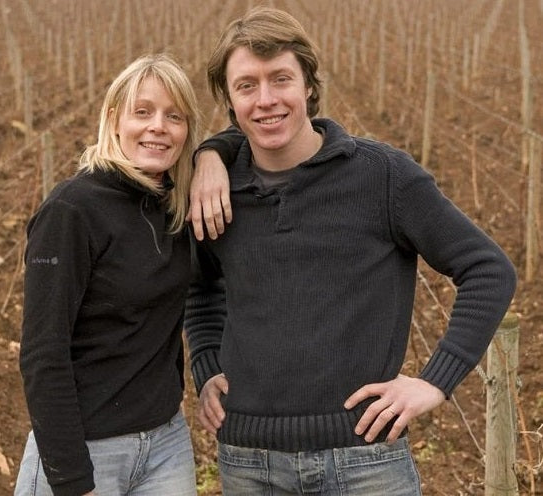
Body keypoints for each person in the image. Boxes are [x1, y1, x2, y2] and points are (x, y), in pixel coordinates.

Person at [184, 7, 517, 495]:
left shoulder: (382, 176)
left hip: (366, 463)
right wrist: (207, 366)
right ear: (229, 102)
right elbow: (201, 287)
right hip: (247, 463)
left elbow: (487, 269)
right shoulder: (215, 192)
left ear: (309, 87)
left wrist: (434, 381)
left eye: (281, 79)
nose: (267, 99)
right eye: (246, 85)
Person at [15, 53, 224, 496]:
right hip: (86, 450)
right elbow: (42, 354)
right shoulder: (72, 211)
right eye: (142, 112)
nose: (158, 127)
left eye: (175, 116)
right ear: (113, 119)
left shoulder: (177, 206)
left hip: (166, 445)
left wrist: (214, 156)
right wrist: (72, 479)